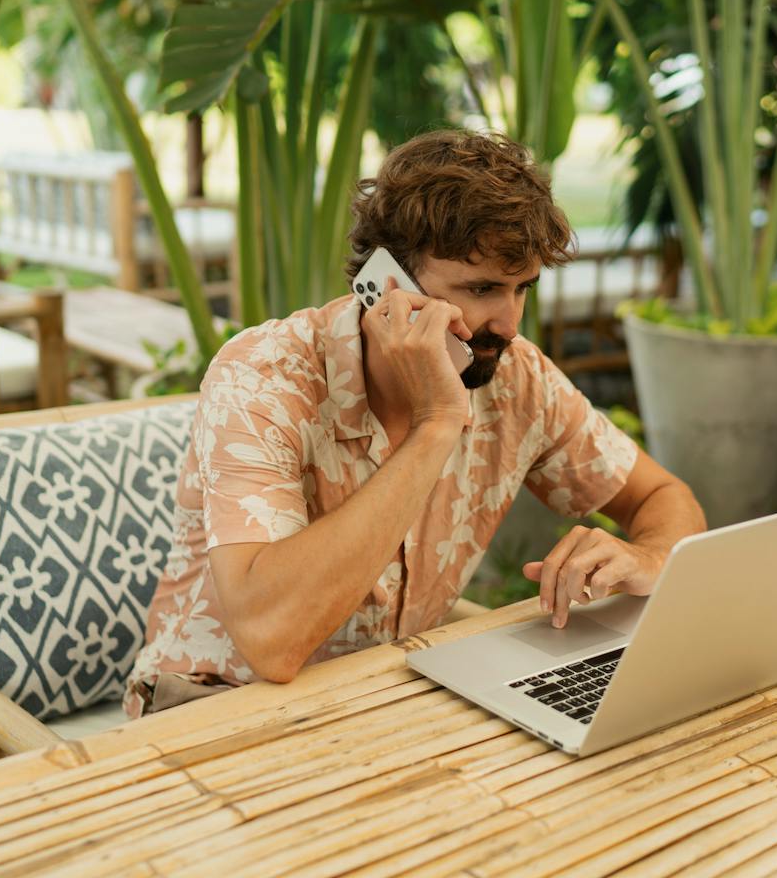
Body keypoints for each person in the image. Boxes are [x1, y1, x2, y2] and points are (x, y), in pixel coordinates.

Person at [124, 129, 705, 717]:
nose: (507, 324)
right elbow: (270, 643)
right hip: (212, 706)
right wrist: (436, 423)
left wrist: (654, 556)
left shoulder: (517, 377)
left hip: (381, 698)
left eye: (520, 289)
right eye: (481, 289)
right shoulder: (264, 378)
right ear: (387, 285)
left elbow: (661, 495)